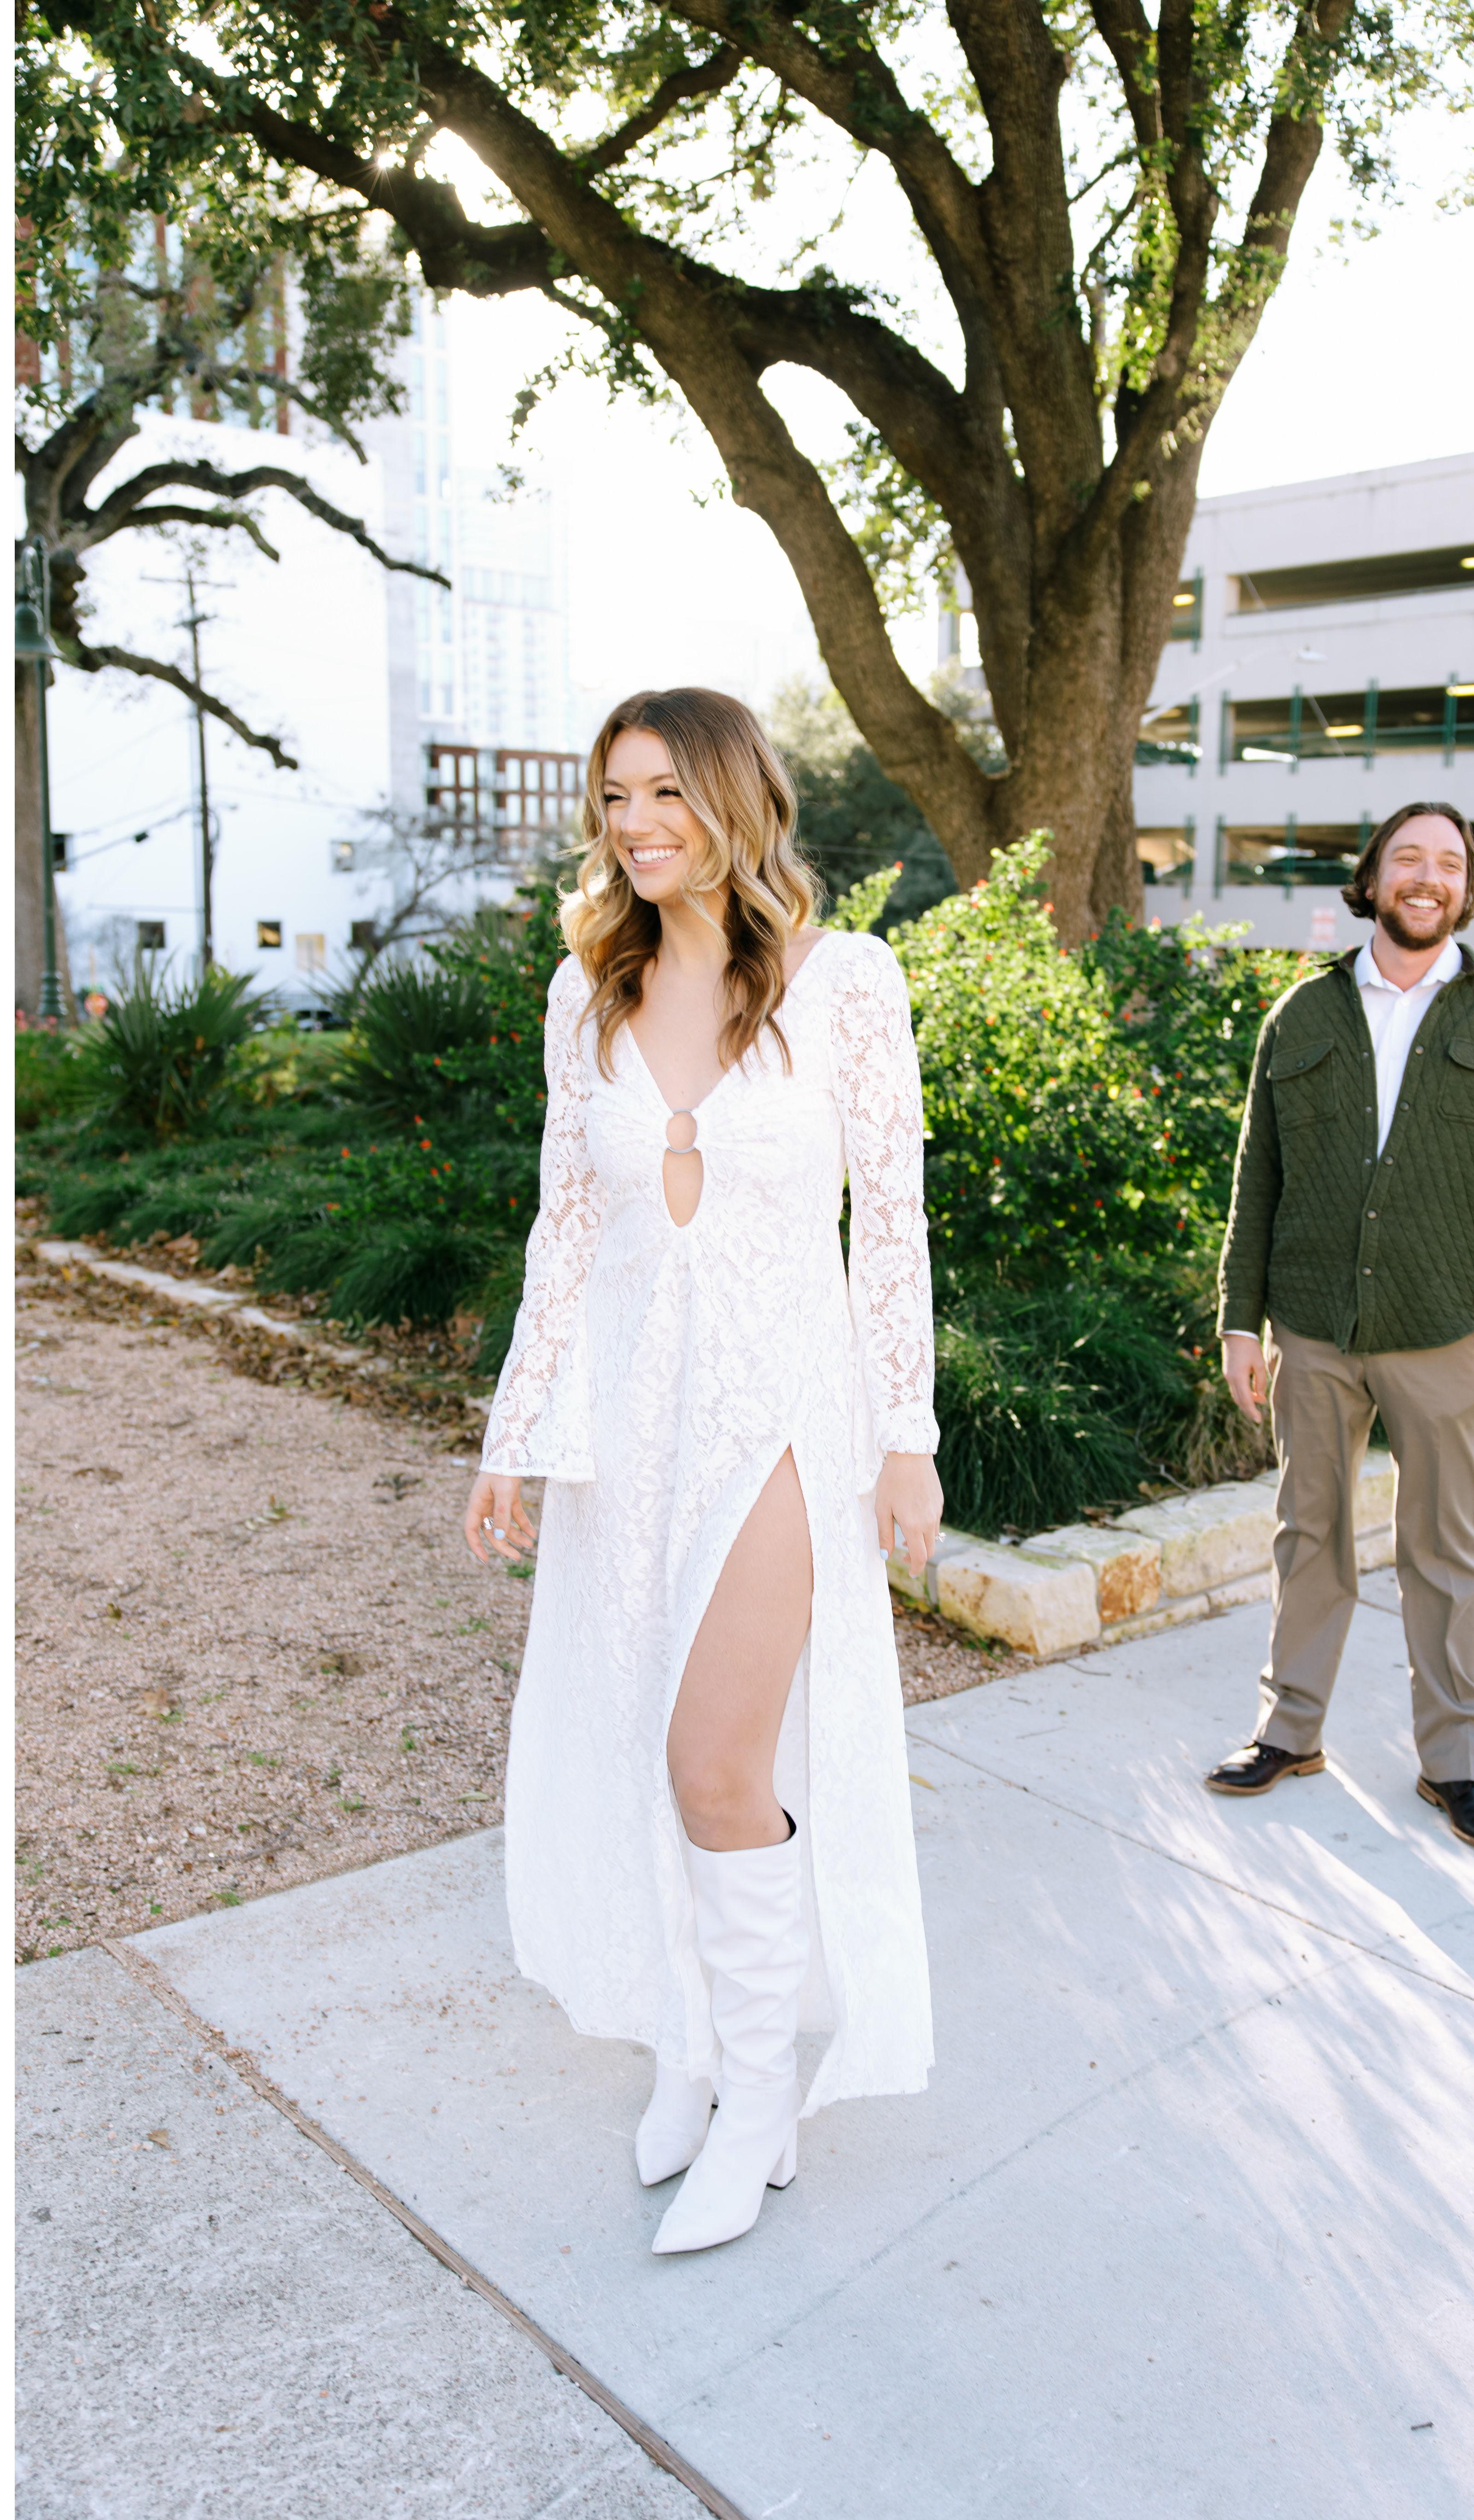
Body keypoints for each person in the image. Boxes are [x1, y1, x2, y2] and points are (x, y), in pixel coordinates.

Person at [461, 687, 942, 2255]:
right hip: (627, 1422)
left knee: (716, 1759)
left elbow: (893, 1226)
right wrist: (517, 1431)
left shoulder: (845, 984)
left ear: (735, 798)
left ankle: (760, 2094)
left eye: (665, 791)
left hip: (778, 1417)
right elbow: (565, 1227)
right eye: (615, 797)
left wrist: (910, 1436)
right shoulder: (585, 992)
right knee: (636, 1738)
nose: (635, 824)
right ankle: (692, 2048)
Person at [1204, 802, 1474, 1855]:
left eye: (1450, 864)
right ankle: (1289, 1732)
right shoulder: (1302, 1014)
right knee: (1309, 1535)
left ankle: (1456, 1762)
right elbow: (1259, 1179)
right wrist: (1239, 1319)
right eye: (1408, 858)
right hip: (1314, 1326)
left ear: (1467, 890)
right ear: (1373, 879)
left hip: (1446, 1327)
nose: (1429, 877)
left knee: (1445, 1548)